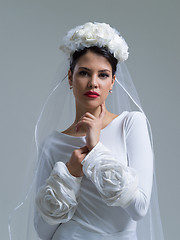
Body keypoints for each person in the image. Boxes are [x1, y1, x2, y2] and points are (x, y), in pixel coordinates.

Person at [9, 22, 164, 240]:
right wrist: (70, 174)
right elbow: (43, 232)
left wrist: (96, 149)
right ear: (70, 78)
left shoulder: (131, 124)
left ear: (113, 82)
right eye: (84, 73)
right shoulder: (52, 144)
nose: (93, 83)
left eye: (103, 75)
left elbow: (139, 208)